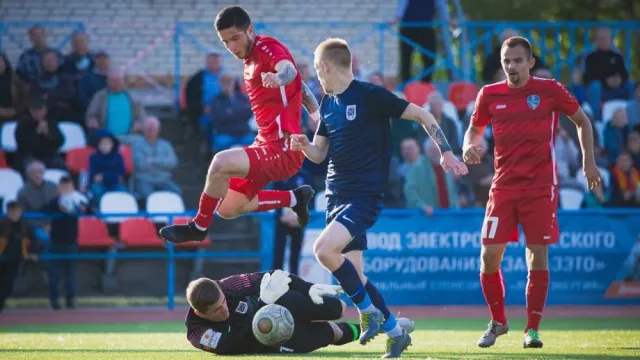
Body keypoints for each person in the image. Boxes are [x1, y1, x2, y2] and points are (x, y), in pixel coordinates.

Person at [290, 38, 468, 358]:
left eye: (317, 69)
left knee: (322, 249)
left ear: (327, 66)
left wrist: (446, 152)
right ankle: (396, 333)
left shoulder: (370, 95)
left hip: (363, 196)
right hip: (334, 196)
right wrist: (304, 144)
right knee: (354, 277)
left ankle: (368, 312)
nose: (317, 76)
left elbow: (424, 116)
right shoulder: (329, 103)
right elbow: (319, 155)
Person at [463, 36, 601, 349]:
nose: (511, 66)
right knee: (488, 258)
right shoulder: (489, 94)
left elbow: (582, 121)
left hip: (540, 188)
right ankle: (498, 322)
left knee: (537, 255)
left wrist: (588, 162)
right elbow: (474, 129)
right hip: (503, 188)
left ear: (530, 62)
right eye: (506, 61)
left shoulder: (549, 90)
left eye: (516, 60)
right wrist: (468, 145)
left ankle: (532, 329)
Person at [160, 6, 322, 244]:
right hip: (265, 143)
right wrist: (316, 113)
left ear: (250, 30)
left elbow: (288, 71)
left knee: (220, 162)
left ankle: (198, 227)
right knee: (227, 207)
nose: (232, 47)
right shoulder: (248, 61)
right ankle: (294, 199)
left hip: (285, 148)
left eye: (235, 38)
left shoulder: (267, 47)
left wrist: (278, 78)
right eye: (226, 43)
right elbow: (299, 84)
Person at [185, 269, 415, 355]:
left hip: (282, 308)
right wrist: (263, 306)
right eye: (217, 310)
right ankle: (385, 330)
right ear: (199, 311)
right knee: (332, 333)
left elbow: (275, 276)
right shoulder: (197, 332)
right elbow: (229, 347)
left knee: (337, 308)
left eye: (224, 302)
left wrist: (309, 287)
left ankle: (385, 324)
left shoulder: (228, 286)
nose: (224, 308)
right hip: (270, 344)